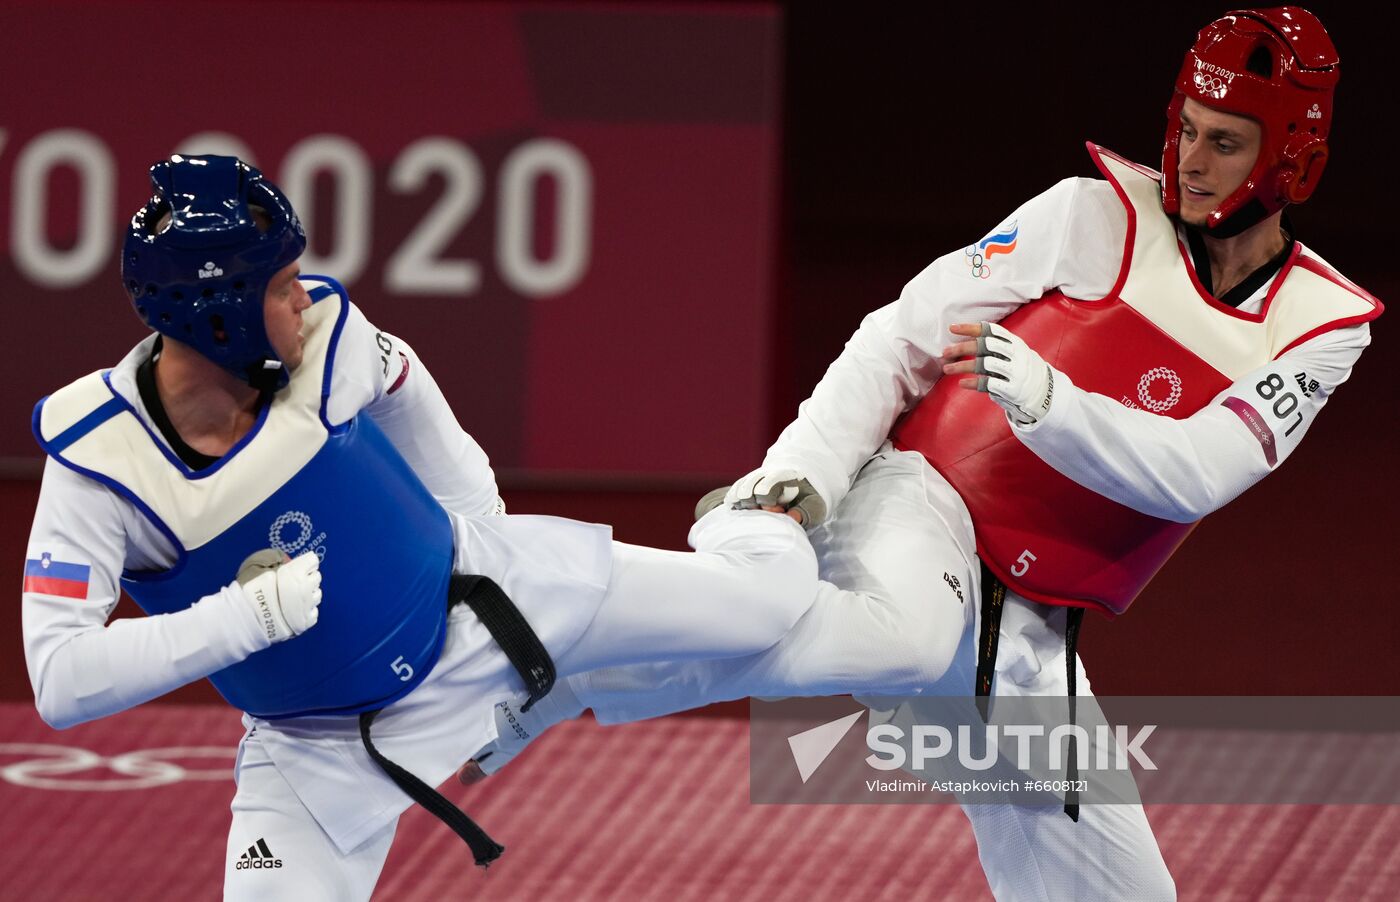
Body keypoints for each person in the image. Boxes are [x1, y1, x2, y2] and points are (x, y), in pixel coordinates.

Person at [460, 8, 1381, 900]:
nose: (1190, 159)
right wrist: (799, 479)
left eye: (1225, 142)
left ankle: (564, 661)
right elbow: (898, 337)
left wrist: (1052, 402)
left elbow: (1199, 472)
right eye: (1186, 129)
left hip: (1028, 626)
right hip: (922, 503)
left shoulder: (1322, 325)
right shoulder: (1089, 216)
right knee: (903, 635)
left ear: (1293, 158)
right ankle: (552, 660)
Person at [21, 154, 824, 900]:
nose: (306, 297)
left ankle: (755, 512)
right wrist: (244, 619)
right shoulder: (100, 468)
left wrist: (481, 520)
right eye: (281, 286)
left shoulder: (329, 340)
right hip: (314, 743)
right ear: (219, 313)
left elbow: (398, 376)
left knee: (771, 602)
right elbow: (61, 679)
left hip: (490, 603)